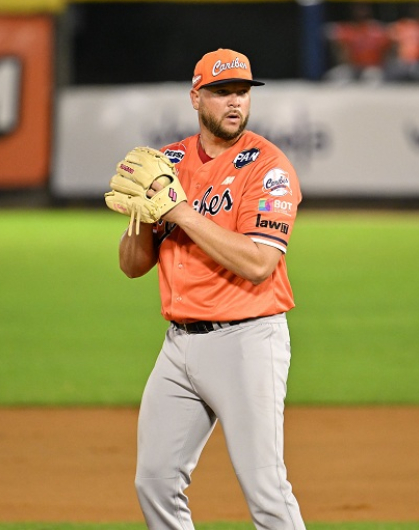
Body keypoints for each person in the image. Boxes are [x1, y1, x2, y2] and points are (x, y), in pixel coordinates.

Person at [114, 48, 306, 530]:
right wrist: (143, 217)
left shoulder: (268, 167)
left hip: (247, 341)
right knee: (154, 481)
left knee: (265, 488)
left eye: (242, 91)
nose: (235, 101)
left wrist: (178, 212)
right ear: (196, 97)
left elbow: (260, 263)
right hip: (178, 347)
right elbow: (132, 266)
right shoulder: (170, 161)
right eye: (222, 93)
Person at [325, 3, 391, 83]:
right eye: (359, 9)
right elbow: (329, 31)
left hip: (372, 68)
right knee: (333, 78)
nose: (361, 12)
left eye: (363, 9)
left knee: (372, 81)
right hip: (353, 68)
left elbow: (390, 44)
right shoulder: (350, 30)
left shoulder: (377, 30)